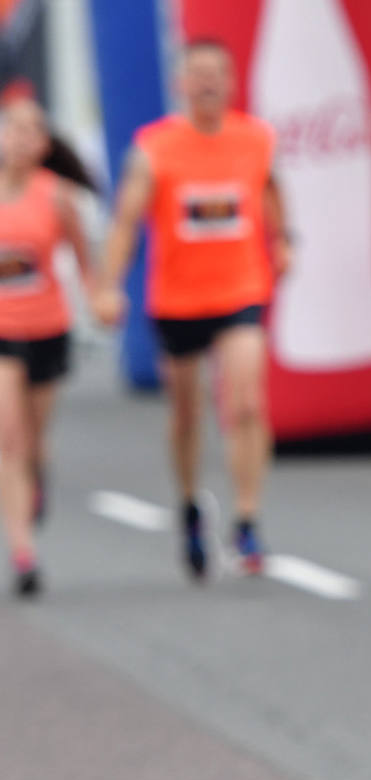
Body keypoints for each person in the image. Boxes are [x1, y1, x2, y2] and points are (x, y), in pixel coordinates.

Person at [94, 38, 291, 580]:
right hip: (177, 300)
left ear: (229, 83)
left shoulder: (254, 139)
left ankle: (247, 518)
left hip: (240, 292)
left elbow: (271, 190)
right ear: (181, 83)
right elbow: (127, 220)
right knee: (186, 413)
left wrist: (285, 240)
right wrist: (108, 285)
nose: (206, 83)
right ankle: (188, 504)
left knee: (247, 401)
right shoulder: (155, 148)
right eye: (196, 74)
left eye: (215, 74)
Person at [0, 90, 96, 596]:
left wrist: (100, 298)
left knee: (34, 439)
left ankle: (37, 479)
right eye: (12, 129)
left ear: (42, 144)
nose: (19, 140)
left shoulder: (57, 196)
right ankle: (23, 552)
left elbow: (84, 261)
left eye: (29, 132)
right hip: (2, 333)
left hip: (47, 327)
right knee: (8, 436)